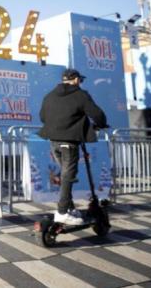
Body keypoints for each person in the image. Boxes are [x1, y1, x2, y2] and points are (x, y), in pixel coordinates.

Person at [39, 68, 108, 225]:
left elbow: (43, 116)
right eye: (80, 80)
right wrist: (101, 124)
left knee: (66, 176)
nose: (80, 83)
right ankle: (62, 212)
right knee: (67, 176)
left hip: (53, 141)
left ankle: (69, 208)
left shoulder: (49, 95)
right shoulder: (80, 95)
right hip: (69, 142)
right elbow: (97, 114)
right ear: (76, 80)